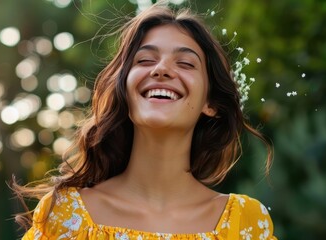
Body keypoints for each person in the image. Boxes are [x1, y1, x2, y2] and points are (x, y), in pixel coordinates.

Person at [14, 3, 276, 239]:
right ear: (125, 92)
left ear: (211, 104)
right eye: (145, 60)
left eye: (185, 63)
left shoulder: (245, 225)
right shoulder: (66, 217)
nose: (160, 69)